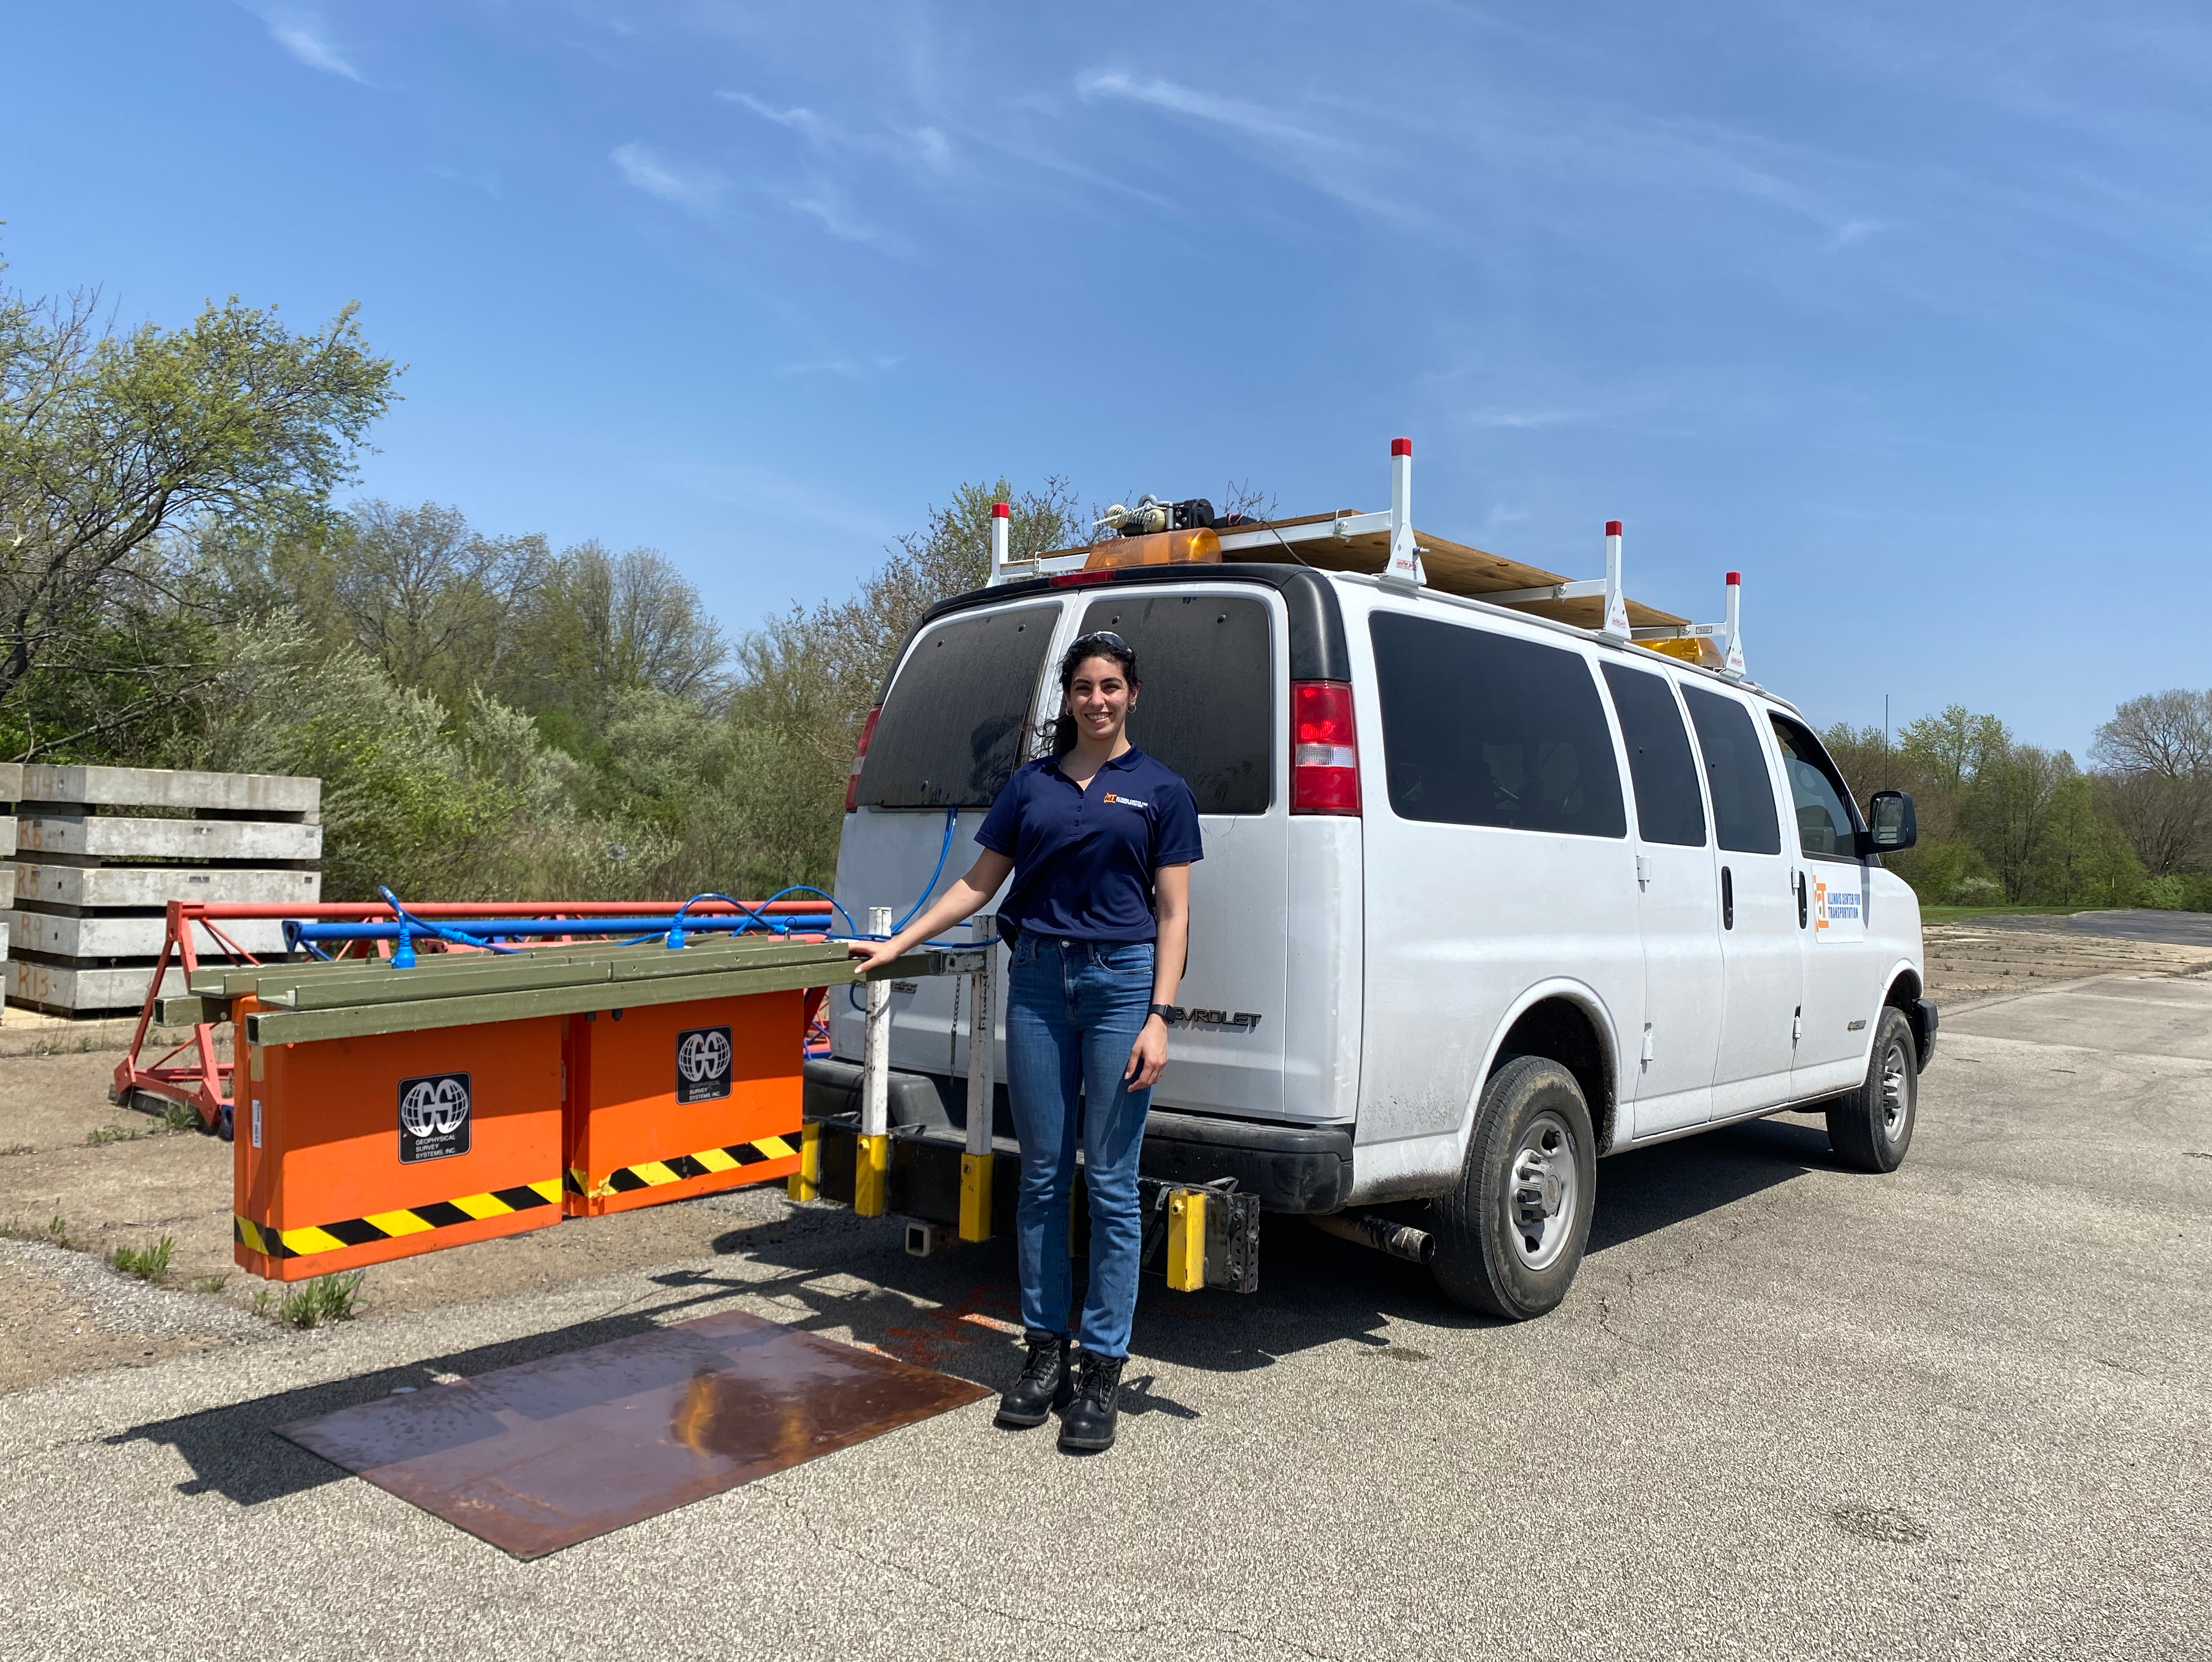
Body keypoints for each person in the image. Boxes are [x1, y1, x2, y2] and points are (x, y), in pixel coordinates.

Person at [849, 630, 1200, 1453]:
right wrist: (897, 944)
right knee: (1042, 1176)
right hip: (1038, 983)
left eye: (1111, 685)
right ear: (1068, 697)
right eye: (1084, 686)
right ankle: (1044, 1355)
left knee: (1111, 1184)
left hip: (1121, 987)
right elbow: (978, 884)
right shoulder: (1030, 785)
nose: (1098, 699)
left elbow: (1175, 915)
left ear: (1132, 694)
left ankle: (1102, 1369)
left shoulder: (1162, 791)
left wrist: (1161, 1015)